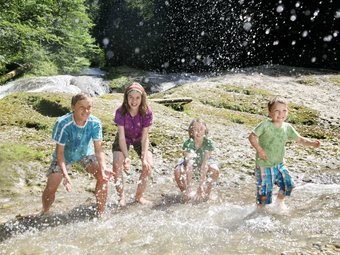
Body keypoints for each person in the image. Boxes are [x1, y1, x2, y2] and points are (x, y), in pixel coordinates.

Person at [42, 93, 110, 217]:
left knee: (103, 177)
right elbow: (60, 153)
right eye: (81, 107)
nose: (86, 111)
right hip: (64, 157)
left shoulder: (95, 123)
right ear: (73, 107)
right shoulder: (63, 124)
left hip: (85, 153)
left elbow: (98, 149)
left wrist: (104, 167)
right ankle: (45, 212)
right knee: (51, 187)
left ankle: (101, 213)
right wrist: (65, 175)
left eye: (89, 107)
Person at [248, 96, 321, 210]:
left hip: (279, 164)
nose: (281, 113)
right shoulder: (265, 125)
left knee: (289, 185)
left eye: (284, 110)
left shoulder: (287, 127)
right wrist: (260, 150)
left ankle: (279, 204)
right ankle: (260, 212)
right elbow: (252, 137)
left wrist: (312, 144)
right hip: (264, 165)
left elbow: (299, 139)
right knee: (264, 194)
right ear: (270, 113)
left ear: (287, 112)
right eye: (277, 111)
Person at [112, 82, 153, 206]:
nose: (134, 101)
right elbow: (122, 137)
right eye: (131, 97)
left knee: (148, 165)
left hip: (140, 138)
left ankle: (138, 196)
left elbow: (145, 138)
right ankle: (121, 197)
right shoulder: (120, 112)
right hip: (124, 138)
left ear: (142, 98)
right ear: (126, 98)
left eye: (137, 98)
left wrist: (144, 157)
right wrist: (126, 156)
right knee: (117, 163)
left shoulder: (147, 112)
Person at [174, 118, 220, 203]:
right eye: (195, 129)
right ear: (191, 131)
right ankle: (185, 192)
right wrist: (189, 187)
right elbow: (189, 165)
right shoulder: (188, 143)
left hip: (205, 162)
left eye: (201, 129)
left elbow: (205, 164)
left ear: (205, 130)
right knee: (177, 171)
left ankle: (207, 193)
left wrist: (201, 186)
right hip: (189, 163)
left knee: (215, 169)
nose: (198, 132)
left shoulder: (208, 142)